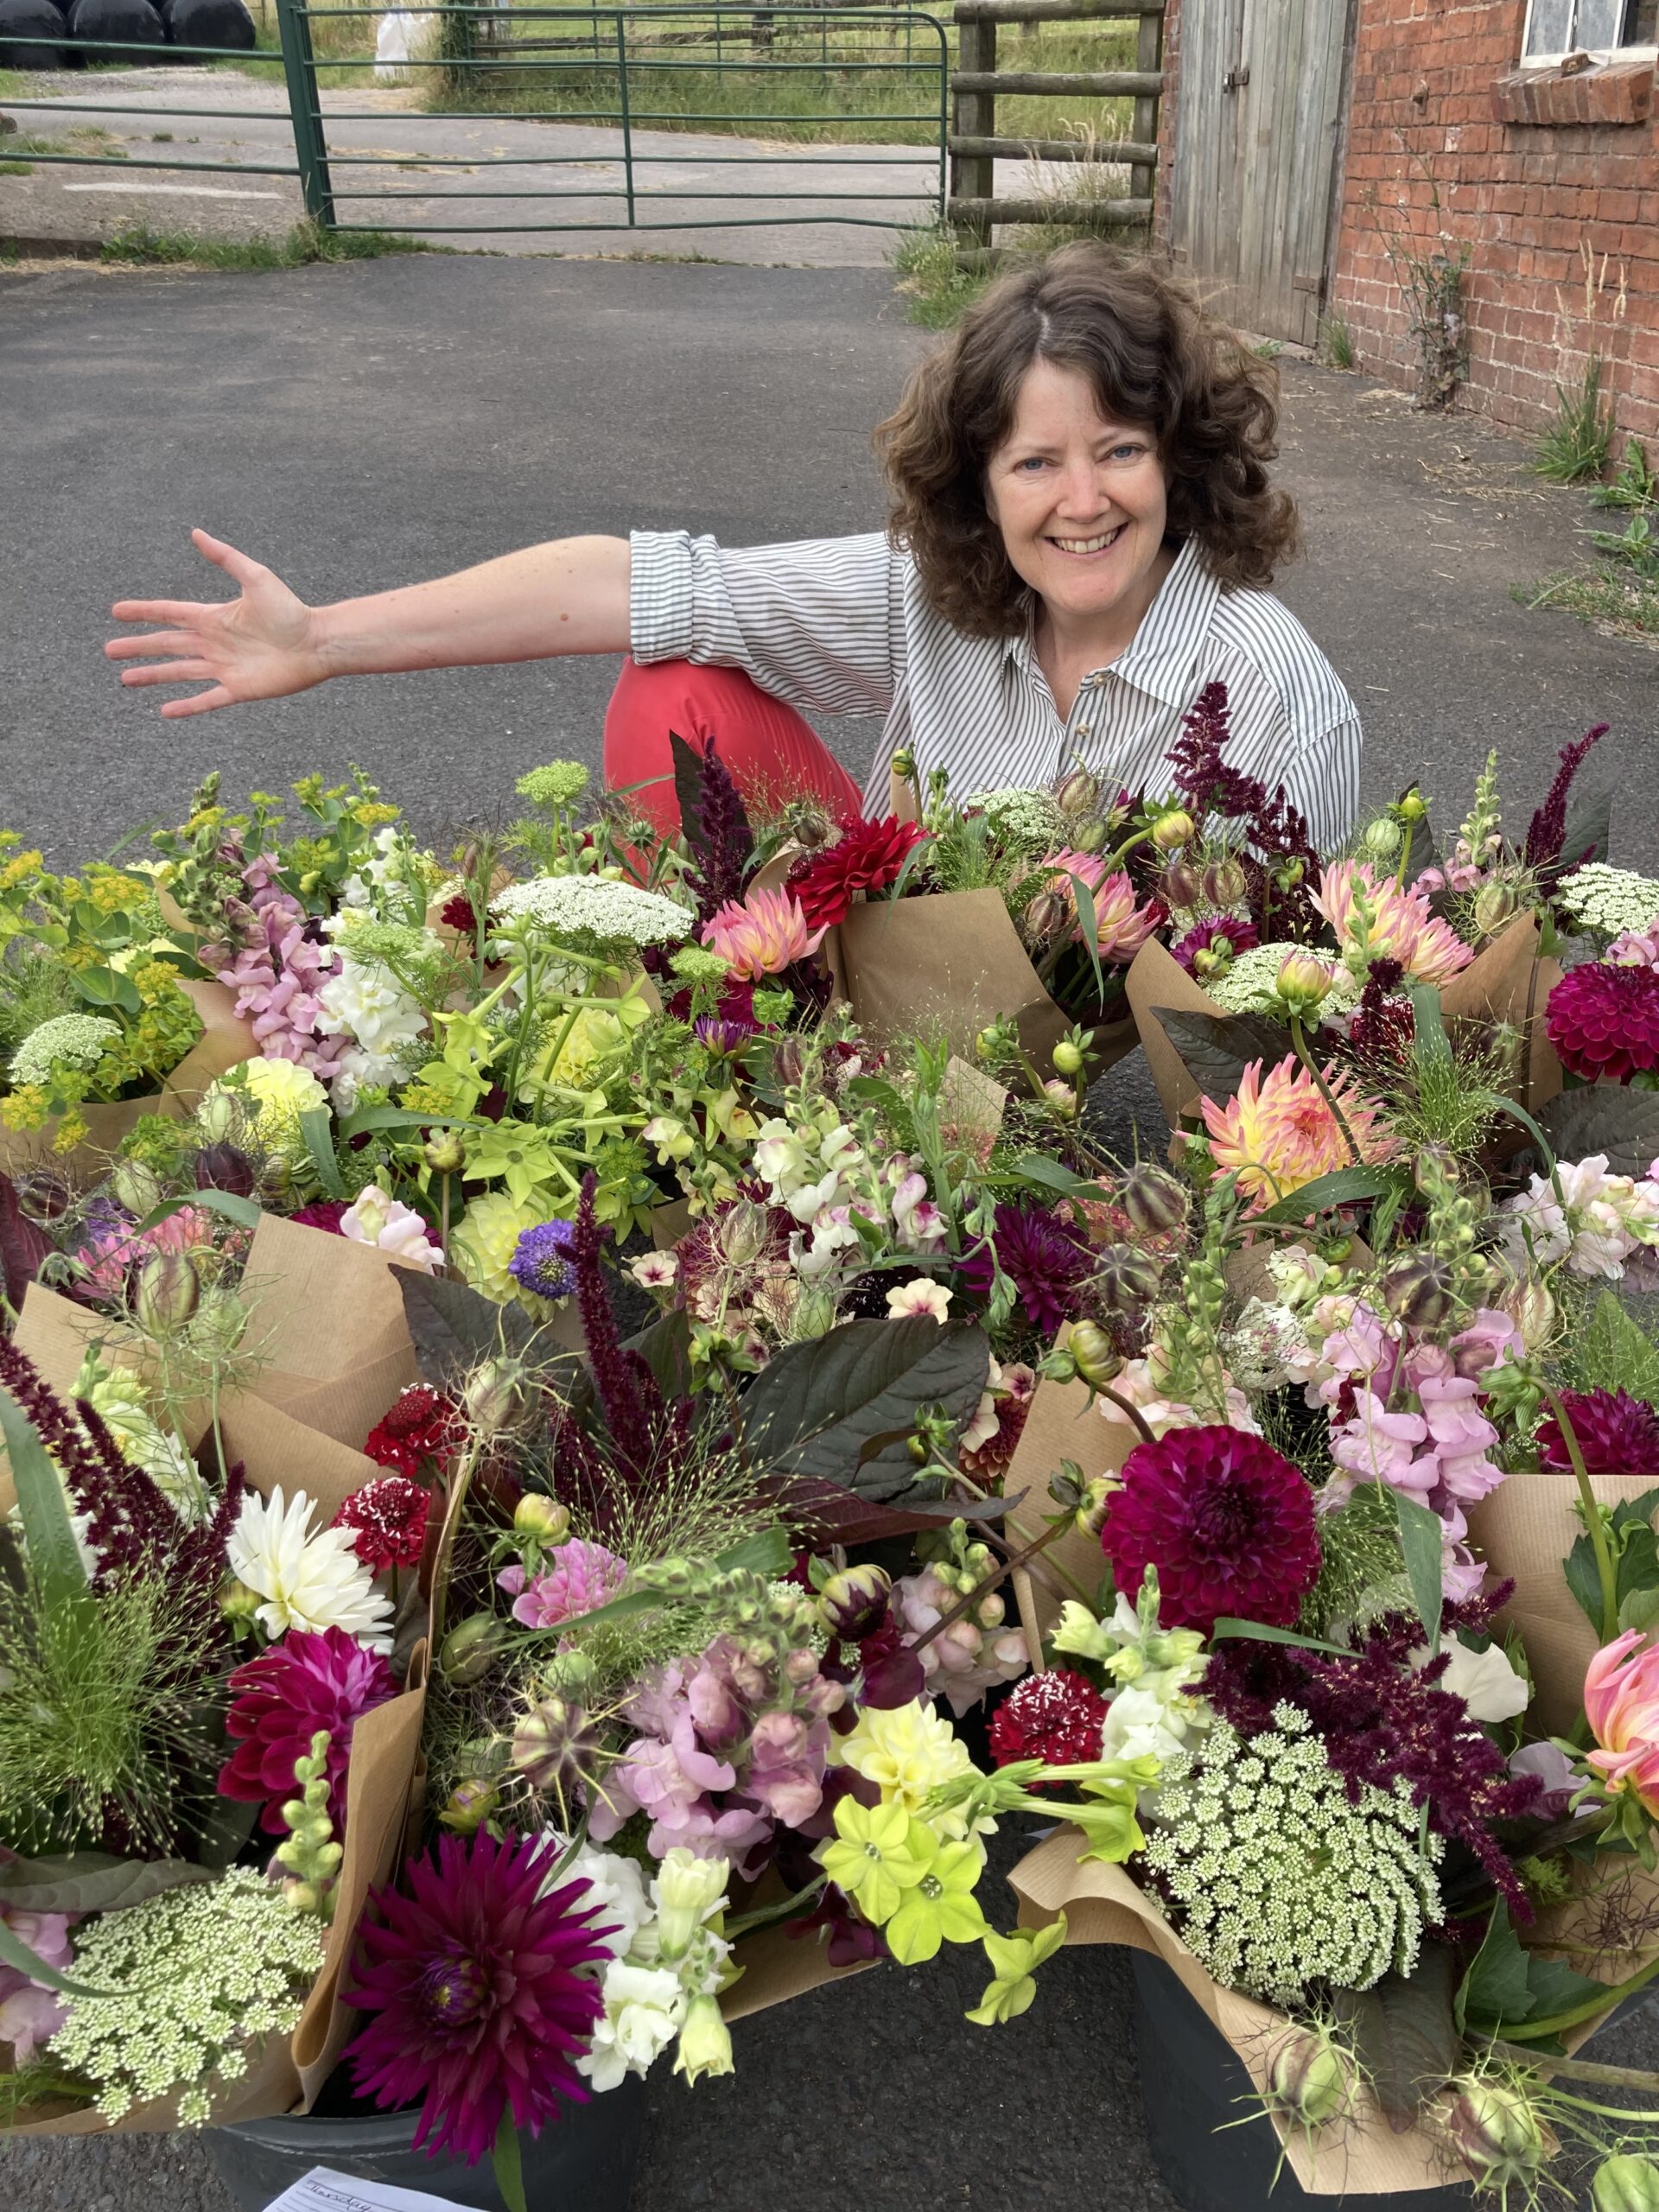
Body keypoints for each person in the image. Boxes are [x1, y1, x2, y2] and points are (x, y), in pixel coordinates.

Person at [105, 244, 1360, 849]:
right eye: (1035, 462)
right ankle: (745, 1029)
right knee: (673, 689)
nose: (1082, 501)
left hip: (1086, 1069)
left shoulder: (1273, 691)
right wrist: (322, 639)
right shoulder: (936, 594)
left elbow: (1295, 1007)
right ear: (980, 488)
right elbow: (631, 585)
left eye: (1120, 449)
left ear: (1180, 457)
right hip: (889, 977)